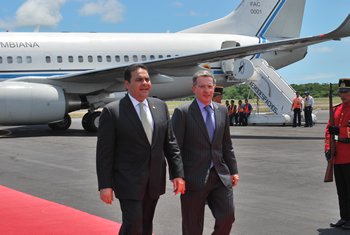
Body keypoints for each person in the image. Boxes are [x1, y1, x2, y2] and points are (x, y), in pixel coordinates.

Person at [96, 64, 185, 235]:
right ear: (127, 84)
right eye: (139, 80)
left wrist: (178, 174)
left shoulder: (160, 107)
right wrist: (105, 185)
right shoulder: (112, 111)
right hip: (127, 181)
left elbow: (170, 144)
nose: (144, 83)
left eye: (147, 79)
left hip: (153, 180)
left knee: (145, 224)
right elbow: (104, 153)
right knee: (133, 223)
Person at [171, 70, 239, 235]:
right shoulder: (183, 112)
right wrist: (177, 175)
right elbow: (175, 148)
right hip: (193, 177)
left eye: (209, 86)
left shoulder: (222, 111)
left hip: (220, 176)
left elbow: (226, 144)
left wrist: (234, 170)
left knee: (227, 217)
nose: (206, 90)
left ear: (214, 87)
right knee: (192, 226)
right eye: (202, 86)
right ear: (194, 89)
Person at [326, 78, 350, 230]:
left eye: (345, 92)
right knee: (341, 190)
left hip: (349, 157)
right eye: (340, 92)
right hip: (337, 157)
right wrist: (328, 148)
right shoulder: (336, 109)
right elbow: (328, 132)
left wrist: (340, 131)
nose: (342, 95)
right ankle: (344, 217)